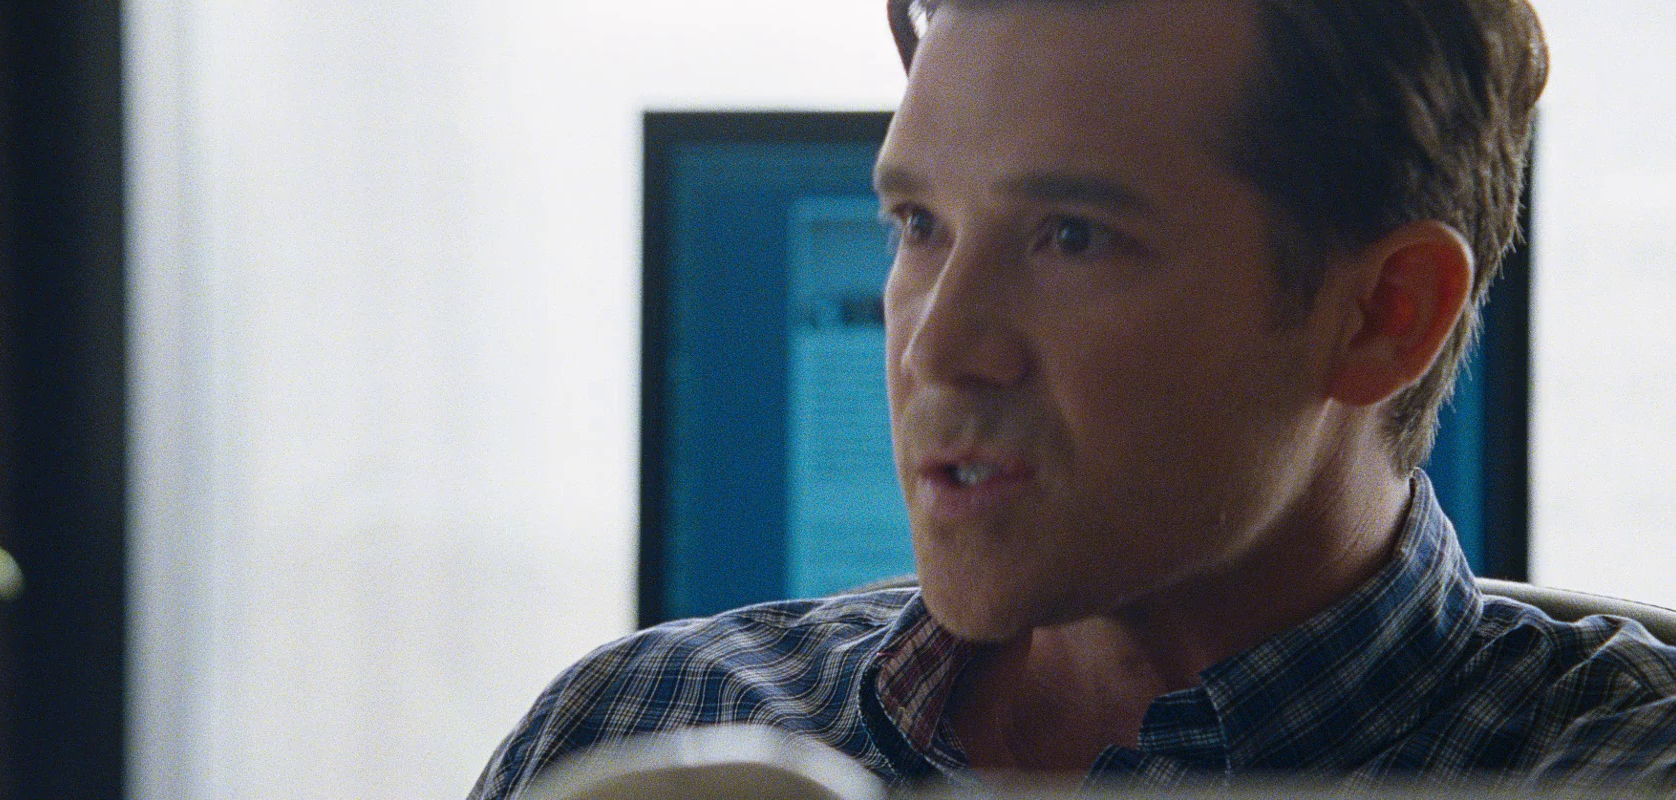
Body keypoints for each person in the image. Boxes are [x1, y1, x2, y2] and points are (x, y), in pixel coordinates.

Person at [473, 0, 1676, 796]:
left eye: (1072, 235)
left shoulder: (1615, 768)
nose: (936, 345)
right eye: (917, 225)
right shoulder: (640, 726)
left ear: (1384, 314)